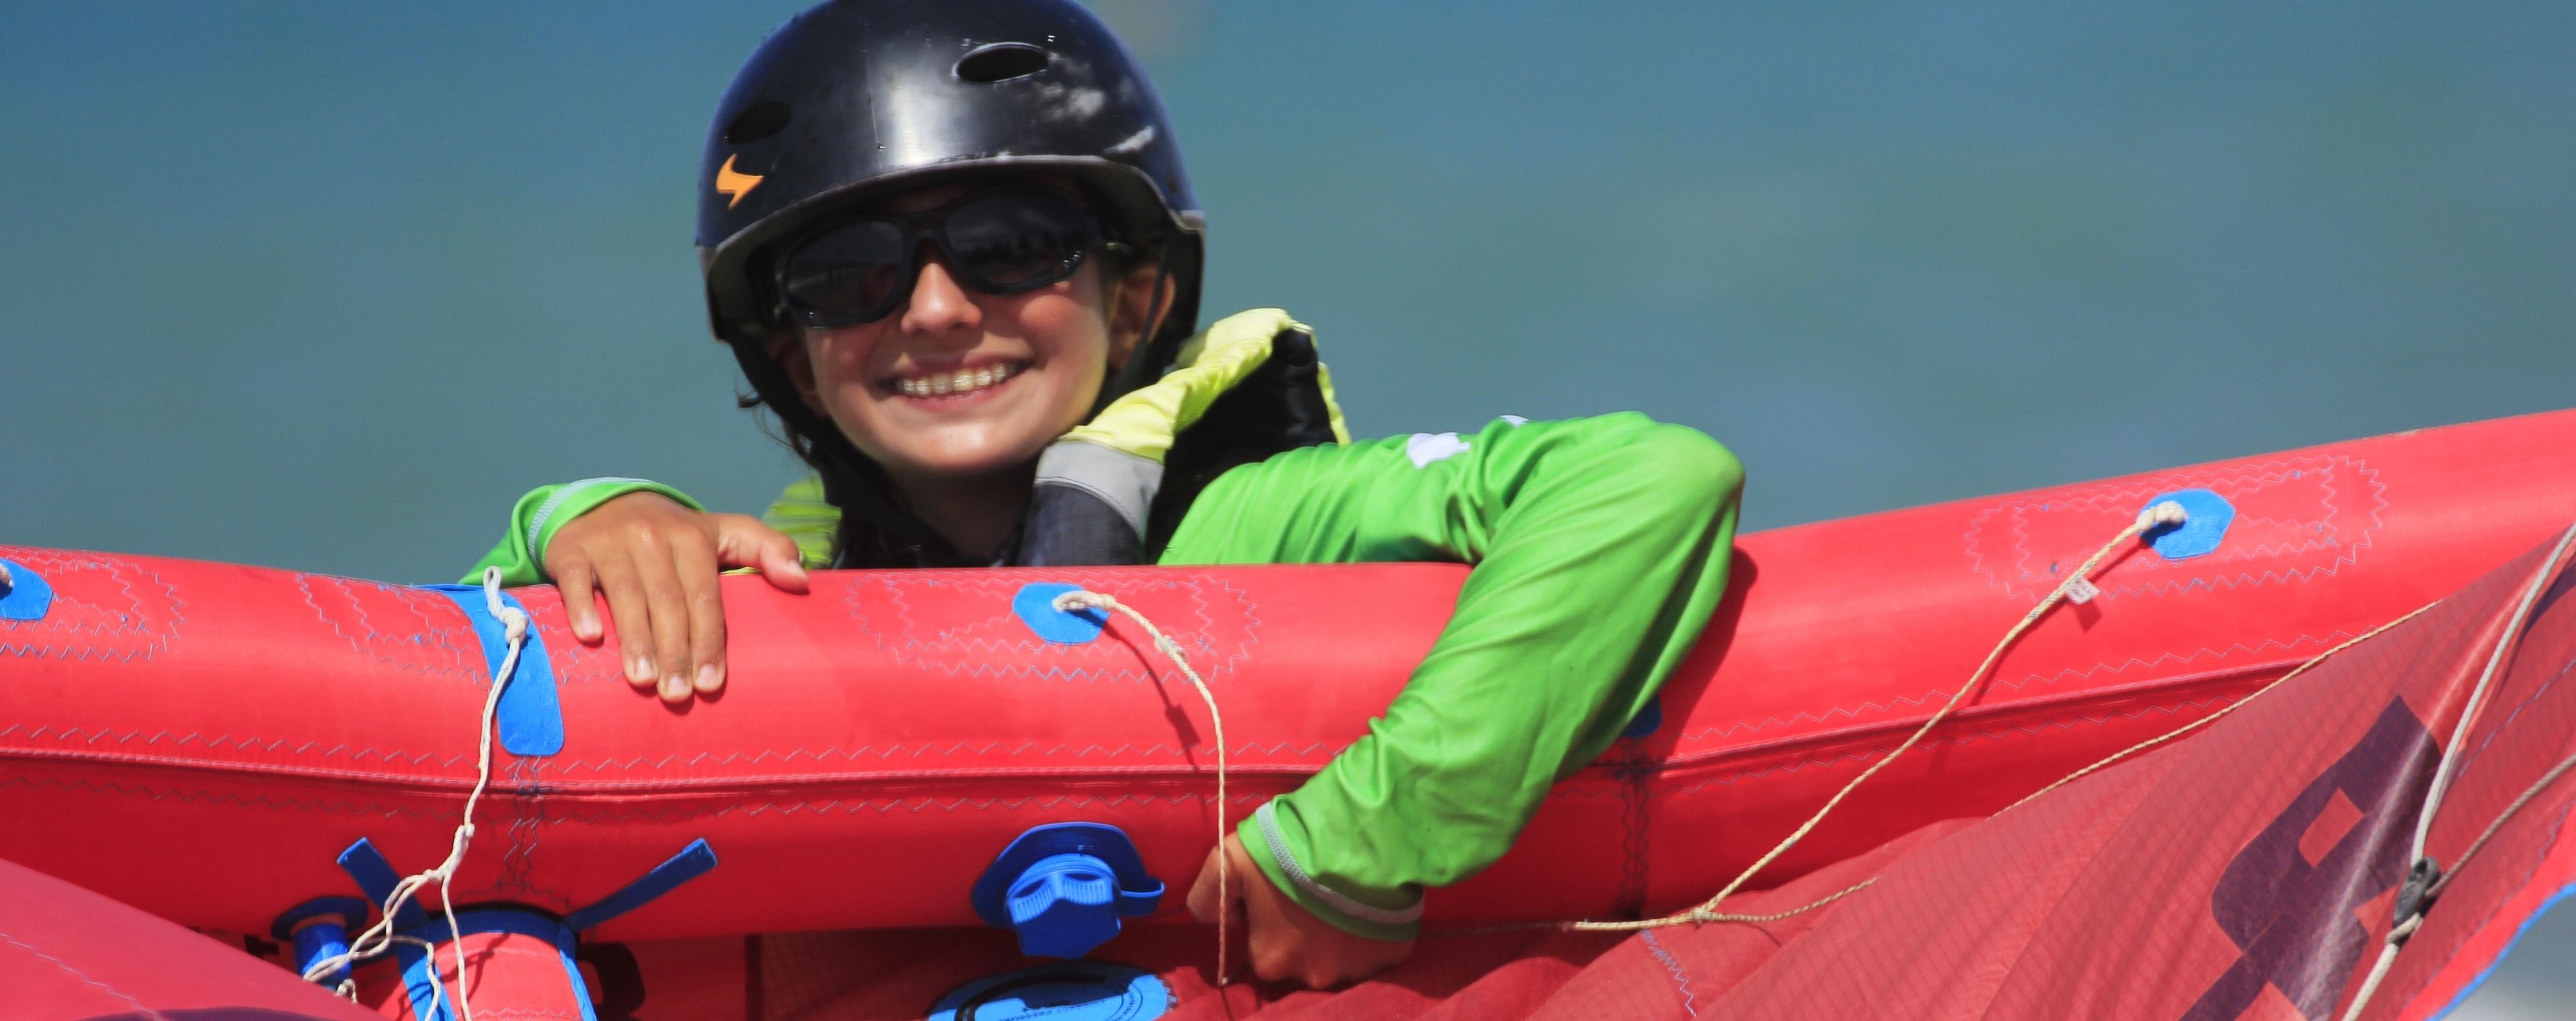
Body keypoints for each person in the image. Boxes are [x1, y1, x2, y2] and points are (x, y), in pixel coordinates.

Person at [465, 0, 1741, 990]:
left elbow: (1649, 479)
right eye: (849, 273)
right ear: (791, 354)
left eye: (1009, 245)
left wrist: (1364, 843)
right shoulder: (777, 582)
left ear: (1132, 297)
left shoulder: (1247, 524)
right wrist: (581, 516)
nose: (936, 309)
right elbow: (423, 725)